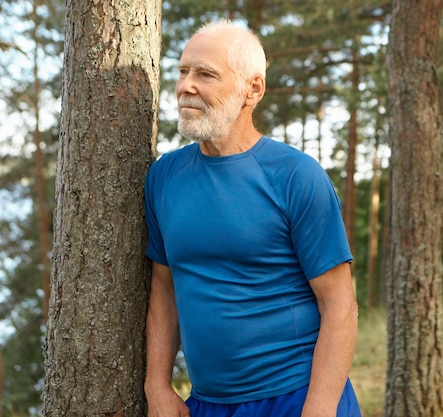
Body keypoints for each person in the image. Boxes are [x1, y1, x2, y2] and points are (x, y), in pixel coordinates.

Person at [143, 20, 361, 417]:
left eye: (205, 74)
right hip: (207, 404)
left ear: (253, 89)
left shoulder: (295, 176)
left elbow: (340, 304)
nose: (185, 86)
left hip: (297, 397)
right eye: (182, 71)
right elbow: (164, 287)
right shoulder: (164, 177)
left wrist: (319, 409)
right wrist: (156, 384)